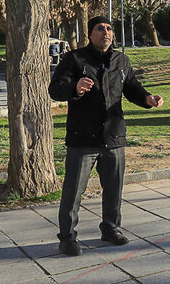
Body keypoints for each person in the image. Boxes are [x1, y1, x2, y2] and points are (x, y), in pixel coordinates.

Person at [48, 16, 163, 257]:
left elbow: (132, 87)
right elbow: (55, 89)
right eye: (100, 28)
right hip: (83, 137)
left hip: (113, 136)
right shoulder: (75, 59)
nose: (106, 32)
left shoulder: (121, 60)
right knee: (73, 192)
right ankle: (67, 237)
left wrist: (147, 98)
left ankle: (110, 229)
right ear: (90, 34)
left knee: (113, 188)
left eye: (109, 28)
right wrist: (75, 88)